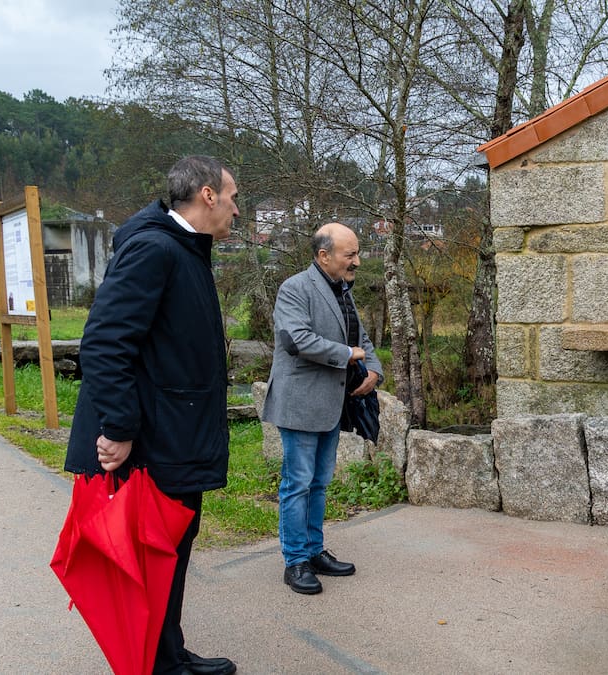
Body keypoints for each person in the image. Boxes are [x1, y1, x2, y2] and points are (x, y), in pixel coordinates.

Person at [64, 156, 239, 675]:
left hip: (174, 432)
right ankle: (161, 666)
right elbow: (104, 343)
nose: (235, 207)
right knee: (153, 557)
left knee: (169, 556)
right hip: (153, 441)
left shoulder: (183, 246)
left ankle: (168, 652)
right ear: (207, 195)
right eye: (232, 196)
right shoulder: (156, 248)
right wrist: (117, 429)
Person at [261, 222, 383, 595]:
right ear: (323, 256)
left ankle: (314, 552)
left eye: (357, 253)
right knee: (297, 483)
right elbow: (296, 340)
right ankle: (295, 561)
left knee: (319, 482)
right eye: (350, 255)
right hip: (300, 403)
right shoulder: (295, 288)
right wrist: (348, 355)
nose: (357, 262)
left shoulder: (342, 289)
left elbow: (359, 337)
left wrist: (375, 369)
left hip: (331, 403)